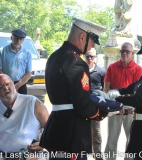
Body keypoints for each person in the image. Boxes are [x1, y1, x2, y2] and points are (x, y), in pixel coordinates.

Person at [40, 17, 123, 160]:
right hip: (71, 134)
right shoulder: (76, 63)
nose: (91, 48)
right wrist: (103, 111)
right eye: (91, 43)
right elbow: (83, 104)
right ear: (82, 36)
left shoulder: (54, 57)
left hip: (56, 129)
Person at [104, 42, 142, 160]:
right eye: (122, 51)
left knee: (131, 140)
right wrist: (113, 105)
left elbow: (137, 91)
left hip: (130, 109)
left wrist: (132, 107)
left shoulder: (138, 69)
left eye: (127, 51)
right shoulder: (112, 67)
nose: (124, 53)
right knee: (112, 138)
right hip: (115, 107)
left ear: (132, 53)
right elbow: (106, 88)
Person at [0, 28, 32, 94]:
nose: (18, 41)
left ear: (23, 40)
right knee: (6, 103)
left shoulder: (27, 53)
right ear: (11, 37)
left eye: (21, 39)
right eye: (16, 38)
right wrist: (8, 83)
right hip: (5, 85)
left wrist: (18, 85)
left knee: (21, 104)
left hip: (21, 85)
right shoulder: (2, 51)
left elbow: (29, 72)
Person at [85, 48, 106, 160]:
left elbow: (105, 88)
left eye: (92, 56)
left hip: (95, 106)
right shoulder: (81, 70)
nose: (89, 59)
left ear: (96, 57)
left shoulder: (101, 71)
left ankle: (98, 155)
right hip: (83, 104)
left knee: (96, 132)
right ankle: (84, 154)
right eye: (87, 56)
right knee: (83, 130)